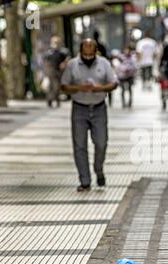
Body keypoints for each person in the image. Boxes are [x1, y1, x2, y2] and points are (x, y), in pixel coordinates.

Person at [61, 39, 118, 192]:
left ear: (95, 51)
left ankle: (98, 169)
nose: (87, 57)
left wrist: (100, 88)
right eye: (85, 54)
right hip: (79, 108)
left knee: (101, 142)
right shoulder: (72, 64)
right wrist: (79, 88)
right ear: (80, 52)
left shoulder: (104, 63)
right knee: (80, 146)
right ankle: (85, 180)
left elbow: (114, 82)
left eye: (90, 54)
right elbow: (64, 85)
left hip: (99, 108)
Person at [42, 36, 70, 108]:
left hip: (59, 71)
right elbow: (45, 61)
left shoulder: (62, 51)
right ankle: (53, 100)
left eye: (57, 42)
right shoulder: (49, 52)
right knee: (53, 86)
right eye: (55, 42)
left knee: (56, 86)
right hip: (51, 71)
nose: (56, 44)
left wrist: (64, 63)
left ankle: (52, 100)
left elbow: (68, 58)